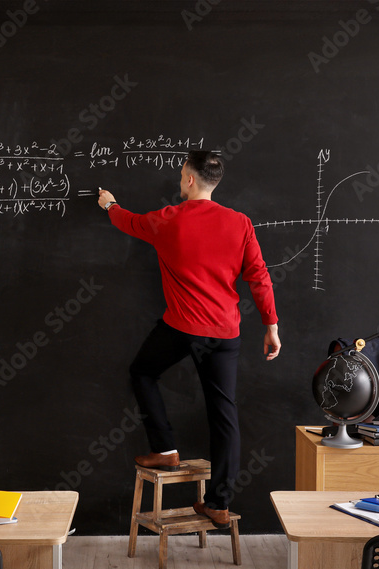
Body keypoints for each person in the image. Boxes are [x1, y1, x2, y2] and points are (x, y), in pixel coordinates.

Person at [97, 150, 281, 529]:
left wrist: (109, 203)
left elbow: (127, 222)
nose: (180, 179)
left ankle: (165, 449)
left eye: (182, 174)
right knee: (224, 416)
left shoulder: (168, 220)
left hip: (182, 328)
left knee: (142, 372)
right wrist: (271, 326)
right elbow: (259, 276)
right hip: (224, 332)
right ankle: (219, 504)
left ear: (190, 180)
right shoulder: (240, 223)